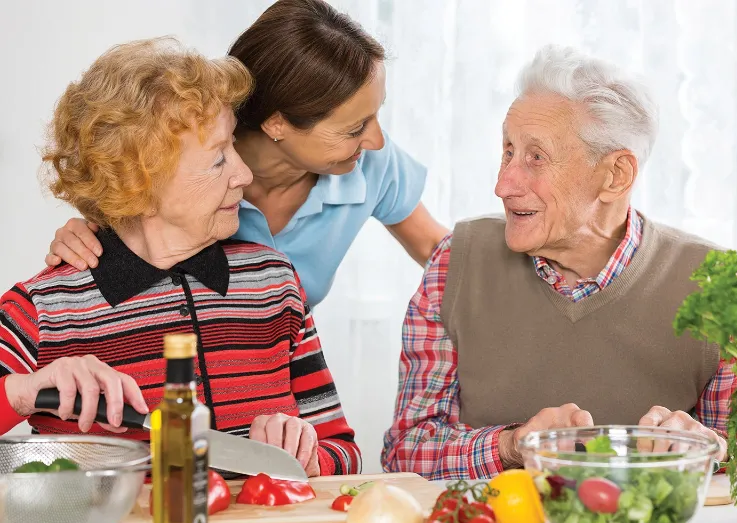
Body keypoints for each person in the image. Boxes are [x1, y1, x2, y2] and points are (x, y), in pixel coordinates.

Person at [0, 37, 359, 477]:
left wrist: (309, 455)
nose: (243, 175)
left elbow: (342, 448)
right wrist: (22, 392)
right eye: (217, 160)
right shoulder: (44, 308)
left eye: (235, 148)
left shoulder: (273, 282)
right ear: (139, 182)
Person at [381, 45, 737, 480]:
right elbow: (404, 453)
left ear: (615, 176)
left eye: (536, 157)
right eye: (508, 150)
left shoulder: (716, 286)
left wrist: (711, 448)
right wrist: (512, 446)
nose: (503, 185)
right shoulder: (454, 262)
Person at [43, 0, 448, 308]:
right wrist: (90, 238)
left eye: (375, 116)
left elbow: (441, 255)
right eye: (354, 127)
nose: (377, 140)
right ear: (276, 124)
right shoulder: (190, 171)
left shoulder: (369, 163)